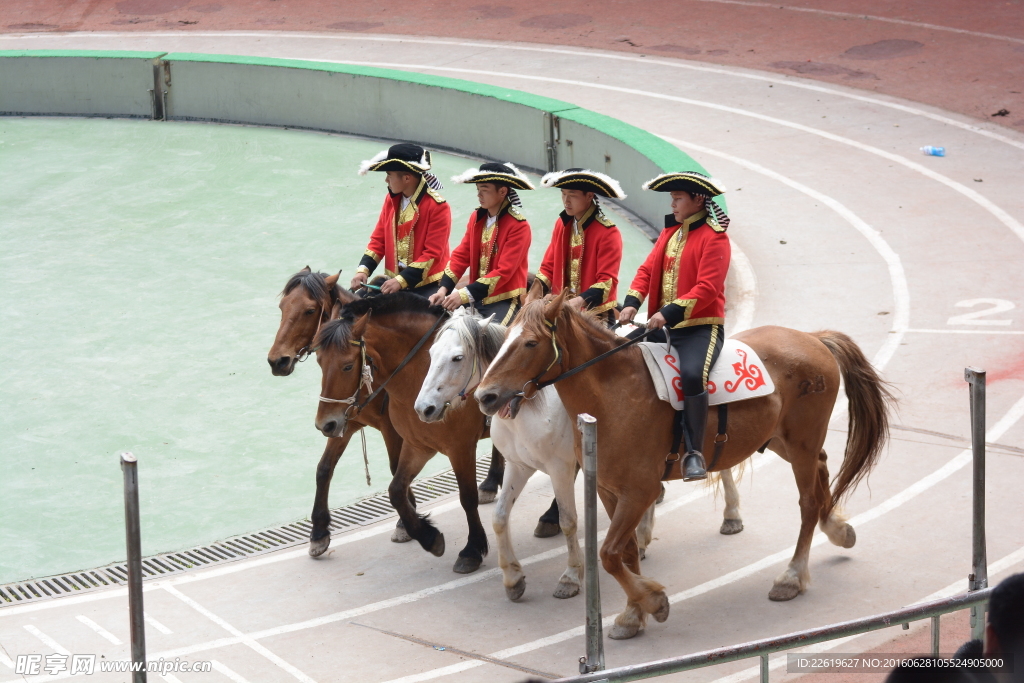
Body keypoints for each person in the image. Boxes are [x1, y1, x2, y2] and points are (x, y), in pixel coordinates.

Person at [619, 171, 732, 481]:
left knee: (693, 375)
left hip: (700, 328)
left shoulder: (716, 236)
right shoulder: (672, 233)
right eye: (672, 198)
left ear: (698, 199)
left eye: (678, 198)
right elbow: (646, 269)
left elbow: (707, 288)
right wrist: (631, 302)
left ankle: (695, 452)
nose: (673, 204)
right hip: (665, 324)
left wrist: (667, 313)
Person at [429, 162, 533, 325]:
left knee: (495, 340)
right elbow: (461, 256)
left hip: (503, 299)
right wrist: (443, 289)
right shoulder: (476, 217)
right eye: (478, 190)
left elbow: (503, 272)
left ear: (502, 191)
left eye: (484, 190)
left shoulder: (519, 226)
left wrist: (464, 294)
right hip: (474, 295)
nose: (479, 195)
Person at [350, 143, 451, 298]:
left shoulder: (438, 207)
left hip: (426, 285)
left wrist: (401, 280)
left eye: (389, 174)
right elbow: (378, 240)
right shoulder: (389, 200)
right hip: (392, 282)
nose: (386, 180)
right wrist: (363, 270)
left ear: (406, 178)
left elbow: (432, 254)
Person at [535, 168, 625, 322]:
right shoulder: (561, 224)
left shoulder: (608, 232)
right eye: (563, 194)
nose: (566, 201)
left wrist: (574, 303)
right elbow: (548, 267)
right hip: (560, 308)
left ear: (589, 196)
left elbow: (606, 283)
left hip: (595, 315)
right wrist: (532, 296)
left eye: (572, 195)